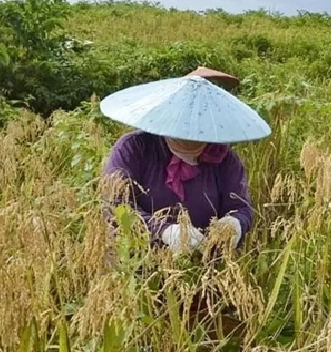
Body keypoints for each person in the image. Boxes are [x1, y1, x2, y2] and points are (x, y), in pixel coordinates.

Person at [102, 66, 252, 255]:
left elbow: (241, 207)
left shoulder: (224, 159)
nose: (193, 133)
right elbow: (116, 206)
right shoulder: (134, 148)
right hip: (137, 263)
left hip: (201, 265)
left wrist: (234, 224)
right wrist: (164, 230)